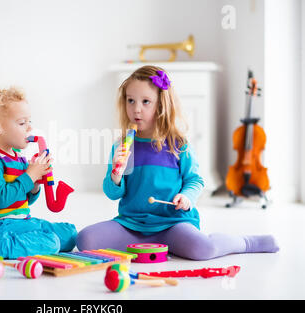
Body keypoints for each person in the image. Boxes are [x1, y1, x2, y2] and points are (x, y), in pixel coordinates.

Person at [76, 65, 279, 260]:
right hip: (132, 225)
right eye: (131, 101)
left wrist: (186, 196)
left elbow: (195, 180)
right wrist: (116, 175)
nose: (136, 109)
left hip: (172, 224)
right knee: (85, 239)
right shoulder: (122, 146)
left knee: (204, 249)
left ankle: (246, 243)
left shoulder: (177, 145)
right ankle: (152, 246)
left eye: (145, 101)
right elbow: (113, 194)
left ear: (162, 106)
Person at [0, 86, 77, 260]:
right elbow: (2, 199)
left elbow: (24, 200)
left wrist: (34, 185)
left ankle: (23, 242)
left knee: (70, 234)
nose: (29, 128)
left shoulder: (18, 157)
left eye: (29, 122)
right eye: (22, 123)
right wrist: (30, 176)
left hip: (21, 221)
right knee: (52, 243)